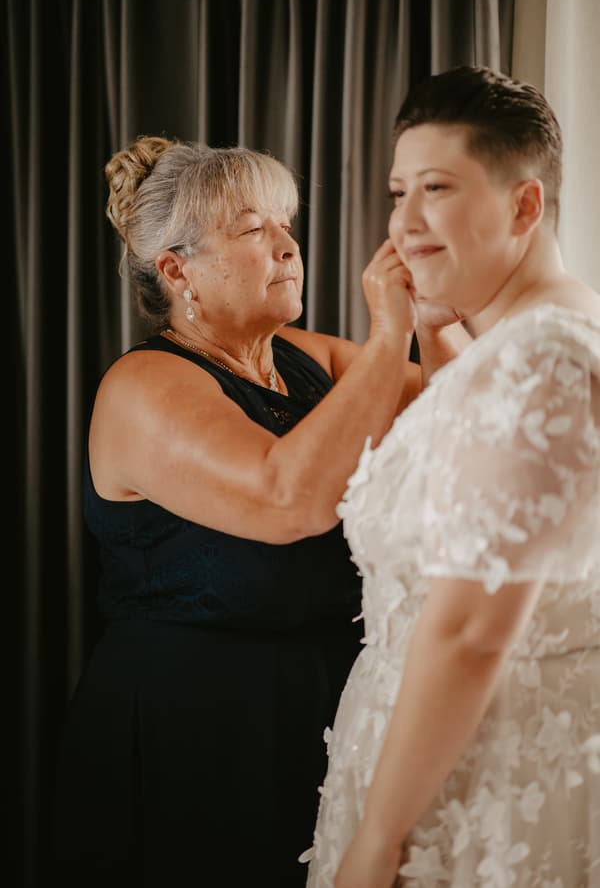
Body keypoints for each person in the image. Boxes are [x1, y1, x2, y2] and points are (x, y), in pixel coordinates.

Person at [49, 137, 467, 887]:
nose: (287, 245)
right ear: (178, 272)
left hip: (327, 707)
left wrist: (432, 321)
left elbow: (473, 419)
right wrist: (387, 335)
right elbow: (287, 500)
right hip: (195, 727)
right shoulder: (142, 388)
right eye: (252, 230)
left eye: (285, 223)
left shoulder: (316, 360)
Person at [303, 65, 600, 888]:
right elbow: (476, 474)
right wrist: (432, 325)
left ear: (524, 205)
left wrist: (379, 839)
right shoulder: (523, 346)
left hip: (477, 786)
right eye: (398, 193)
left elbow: (471, 631)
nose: (404, 223)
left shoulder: (542, 356)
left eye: (436, 188)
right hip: (435, 756)